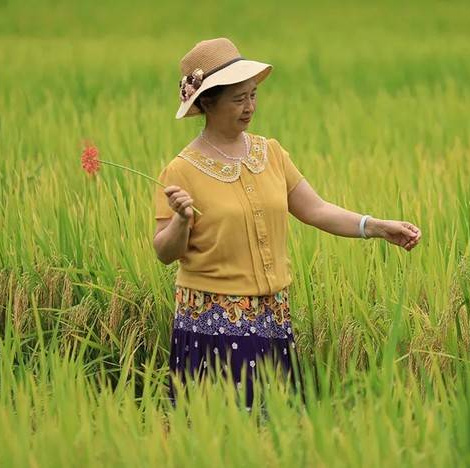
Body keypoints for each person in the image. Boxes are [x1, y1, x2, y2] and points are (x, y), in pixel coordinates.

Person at [153, 38, 422, 411]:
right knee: (222, 425)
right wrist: (182, 221)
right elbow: (164, 252)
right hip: (212, 324)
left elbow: (317, 209)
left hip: (272, 317)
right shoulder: (182, 170)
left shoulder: (271, 153)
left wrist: (375, 226)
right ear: (207, 103)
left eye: (253, 95)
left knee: (275, 424)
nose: (249, 107)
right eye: (238, 99)